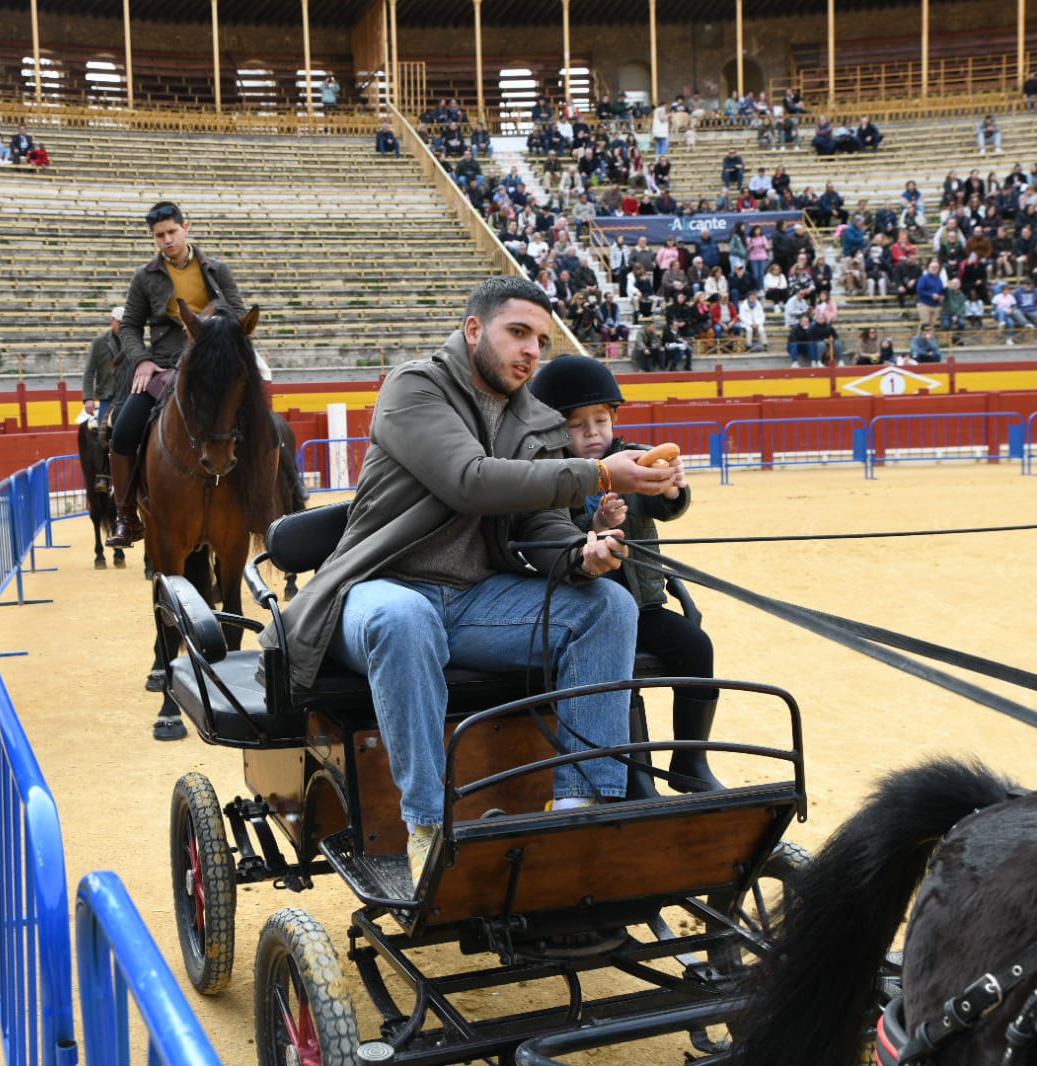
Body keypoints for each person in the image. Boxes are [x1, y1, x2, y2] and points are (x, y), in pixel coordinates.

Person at [273, 277, 676, 885]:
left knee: (609, 607)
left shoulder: (534, 417)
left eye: (541, 339)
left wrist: (579, 555)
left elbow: (540, 524)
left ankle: (578, 811)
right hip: (377, 588)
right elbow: (470, 480)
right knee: (404, 619)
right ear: (472, 330)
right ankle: (429, 828)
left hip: (471, 603)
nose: (531, 351)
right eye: (518, 333)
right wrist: (596, 472)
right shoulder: (414, 387)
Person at [528, 355, 721, 794]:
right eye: (578, 425)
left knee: (696, 647)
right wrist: (591, 529)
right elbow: (546, 535)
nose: (593, 432)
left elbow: (663, 506)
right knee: (619, 673)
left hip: (642, 603)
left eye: (601, 420)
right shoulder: (547, 473)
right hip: (586, 611)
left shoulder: (629, 459)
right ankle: (635, 777)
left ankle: (690, 759)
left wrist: (674, 488)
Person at [106, 202, 247, 548]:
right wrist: (141, 360)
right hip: (166, 365)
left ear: (186, 227)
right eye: (159, 235)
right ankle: (126, 515)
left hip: (214, 364)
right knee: (123, 433)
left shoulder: (217, 269)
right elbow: (130, 326)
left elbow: (240, 313)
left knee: (264, 422)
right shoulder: (144, 277)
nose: (167, 240)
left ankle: (271, 499)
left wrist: (215, 327)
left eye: (172, 232)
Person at [82, 307, 124, 431]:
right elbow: (89, 371)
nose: (122, 326)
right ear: (112, 321)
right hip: (107, 394)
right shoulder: (99, 342)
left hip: (127, 393)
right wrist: (88, 398)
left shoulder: (132, 341)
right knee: (103, 431)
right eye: (120, 322)